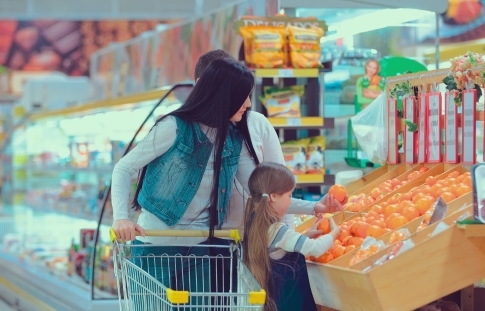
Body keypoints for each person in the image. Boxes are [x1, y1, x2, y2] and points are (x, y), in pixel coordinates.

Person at [110, 55, 344, 306]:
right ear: (223, 95)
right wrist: (120, 217)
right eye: (243, 95)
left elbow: (261, 190)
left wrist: (312, 207)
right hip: (156, 250)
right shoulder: (174, 127)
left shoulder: (233, 139)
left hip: (203, 252)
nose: (248, 103)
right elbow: (124, 168)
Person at [244, 162, 340, 311]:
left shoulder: (255, 222)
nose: (290, 200)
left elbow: (280, 247)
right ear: (274, 197)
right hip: (289, 300)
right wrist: (335, 232)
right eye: (289, 195)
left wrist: (306, 235)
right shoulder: (277, 230)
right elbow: (315, 249)